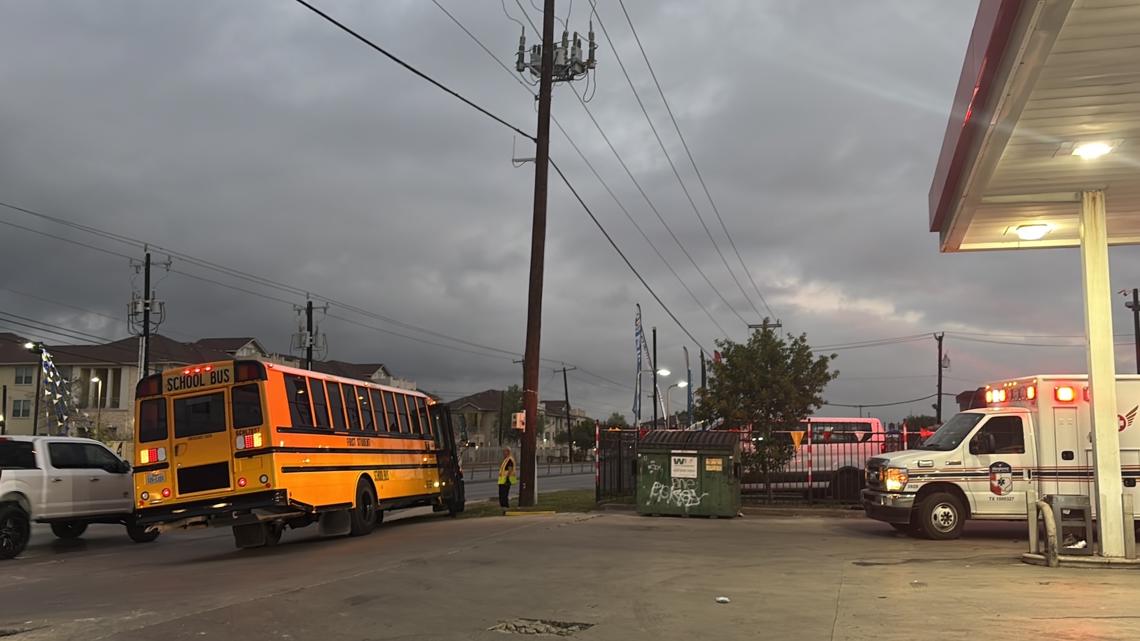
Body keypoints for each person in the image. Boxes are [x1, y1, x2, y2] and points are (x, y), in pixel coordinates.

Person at [497, 447, 517, 511]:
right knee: (501, 494)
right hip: (502, 480)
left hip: (506, 480)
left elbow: (510, 469)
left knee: (504, 494)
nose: (504, 453)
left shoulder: (510, 460)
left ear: (508, 452)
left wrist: (507, 479)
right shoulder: (506, 459)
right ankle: (503, 506)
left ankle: (505, 506)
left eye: (505, 452)